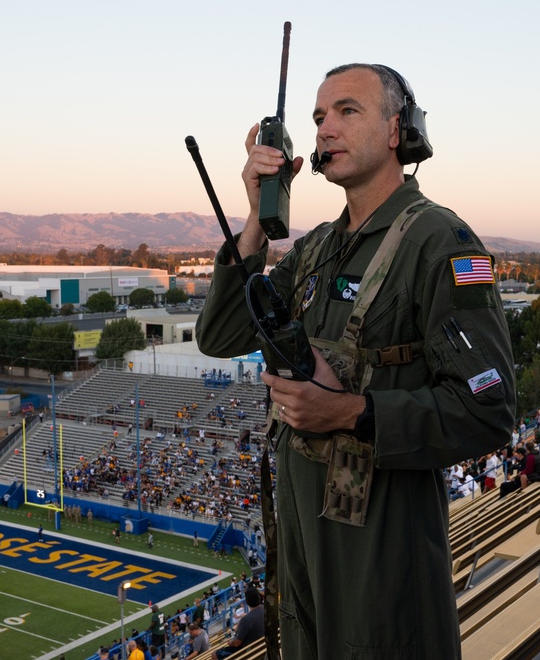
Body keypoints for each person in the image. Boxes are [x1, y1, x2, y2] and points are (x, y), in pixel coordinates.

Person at [195, 63, 515, 659]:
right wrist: (256, 219)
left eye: (348, 111)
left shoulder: (441, 243)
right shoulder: (316, 248)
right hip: (303, 548)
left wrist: (348, 412)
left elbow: (488, 411)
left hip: (383, 556)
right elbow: (219, 334)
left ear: (396, 130)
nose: (325, 130)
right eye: (318, 118)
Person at [216, 587, 265, 659]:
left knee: (214, 654)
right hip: (262, 647)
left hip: (249, 652)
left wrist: (229, 642)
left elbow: (236, 643)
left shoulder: (247, 619)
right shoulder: (266, 609)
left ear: (247, 602)